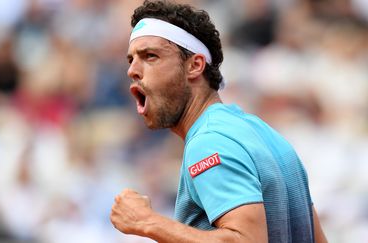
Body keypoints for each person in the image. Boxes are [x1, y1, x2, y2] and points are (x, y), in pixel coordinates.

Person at [110, 1, 328, 242]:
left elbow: (248, 240)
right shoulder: (264, 133)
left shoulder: (209, 141)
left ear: (195, 65)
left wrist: (147, 222)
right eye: (131, 60)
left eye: (150, 56)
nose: (132, 70)